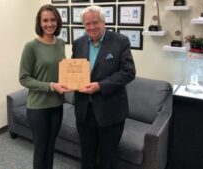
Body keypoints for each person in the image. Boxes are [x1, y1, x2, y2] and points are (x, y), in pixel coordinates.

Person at [71, 5, 136, 169]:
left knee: (107, 159)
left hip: (110, 111)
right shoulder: (78, 43)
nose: (91, 27)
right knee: (86, 157)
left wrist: (100, 86)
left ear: (103, 21)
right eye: (87, 24)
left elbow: (128, 72)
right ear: (84, 25)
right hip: (84, 111)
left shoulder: (120, 41)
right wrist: (70, 82)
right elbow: (74, 69)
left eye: (95, 22)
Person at [19, 4, 70, 169]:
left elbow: (61, 71)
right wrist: (51, 86)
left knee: (50, 147)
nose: (49, 24)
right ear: (39, 23)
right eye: (45, 20)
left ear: (58, 21)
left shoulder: (61, 43)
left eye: (53, 20)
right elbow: (24, 78)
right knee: (41, 149)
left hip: (57, 105)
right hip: (38, 108)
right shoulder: (31, 47)